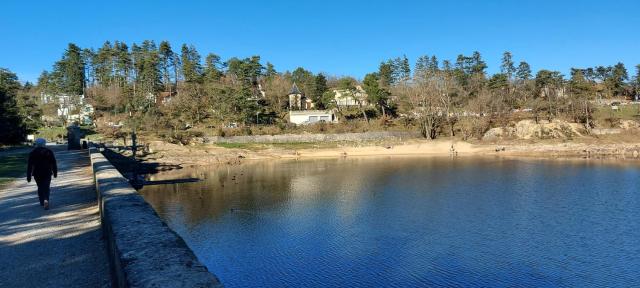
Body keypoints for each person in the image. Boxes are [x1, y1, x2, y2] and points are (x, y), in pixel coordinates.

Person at [27, 138, 57, 210]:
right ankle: (46, 199)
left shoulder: (33, 152)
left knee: (40, 187)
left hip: (37, 173)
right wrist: (55, 172)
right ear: (44, 143)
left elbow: (30, 165)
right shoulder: (49, 152)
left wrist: (29, 176)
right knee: (46, 187)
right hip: (47, 172)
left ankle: (41, 201)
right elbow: (53, 163)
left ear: (36, 144)